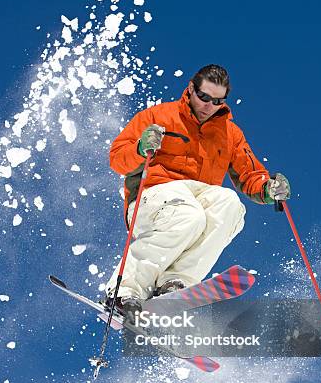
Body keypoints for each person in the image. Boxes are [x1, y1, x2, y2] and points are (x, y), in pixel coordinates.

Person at [104, 64, 290, 323]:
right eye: (204, 97)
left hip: (196, 197)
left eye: (217, 101)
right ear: (191, 89)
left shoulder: (229, 134)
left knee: (230, 206)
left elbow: (250, 175)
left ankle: (173, 284)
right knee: (189, 216)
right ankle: (123, 292)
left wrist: (268, 188)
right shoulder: (159, 116)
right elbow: (116, 159)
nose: (208, 105)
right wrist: (140, 147)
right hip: (153, 195)